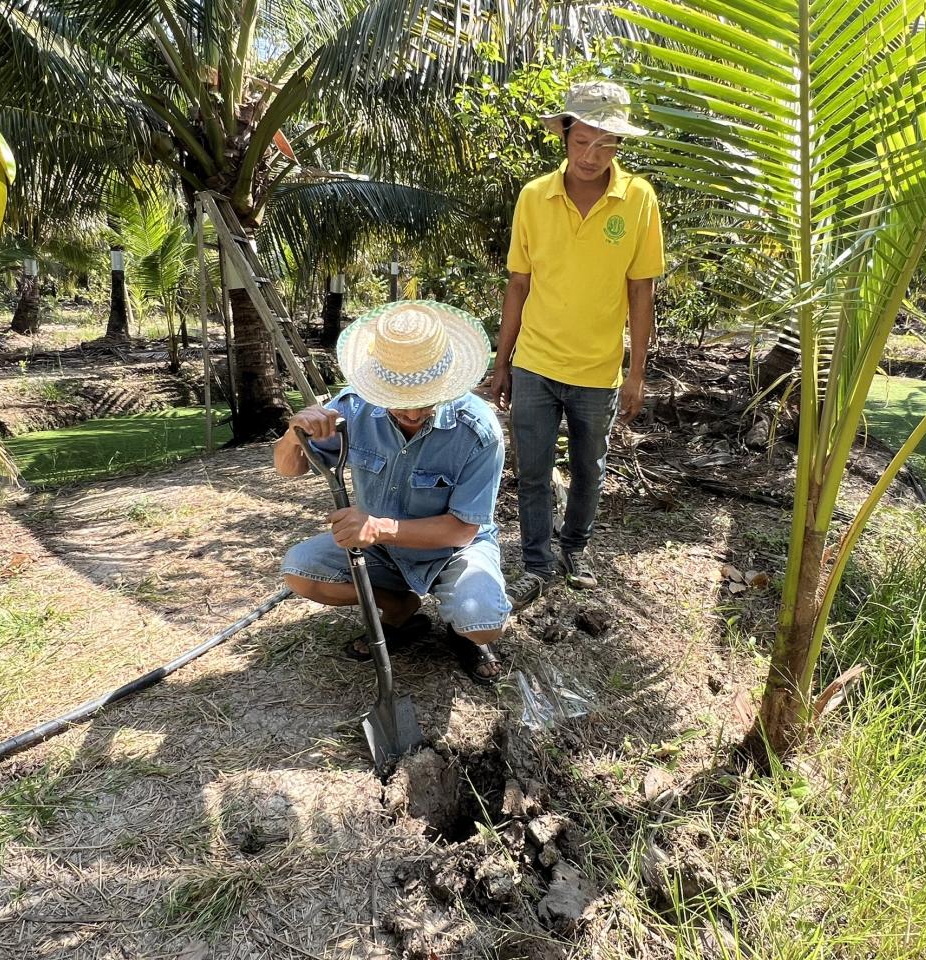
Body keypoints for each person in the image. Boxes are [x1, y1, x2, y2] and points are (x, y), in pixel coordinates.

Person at [491, 79, 665, 609]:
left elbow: (641, 289)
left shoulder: (637, 199)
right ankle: (538, 565)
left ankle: (575, 550)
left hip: (598, 368)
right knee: (534, 470)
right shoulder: (533, 197)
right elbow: (518, 284)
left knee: (591, 468)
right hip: (536, 363)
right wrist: (503, 364)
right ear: (564, 135)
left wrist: (636, 371)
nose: (592, 155)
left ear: (620, 144)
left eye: (606, 142)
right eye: (583, 140)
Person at [274, 300, 511, 682]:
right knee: (300, 572)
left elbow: (461, 530)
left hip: (453, 551)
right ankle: (399, 607)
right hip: (380, 550)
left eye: (425, 401)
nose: (413, 415)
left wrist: (379, 527)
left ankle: (460, 630)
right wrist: (293, 433)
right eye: (399, 404)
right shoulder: (353, 408)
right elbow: (289, 469)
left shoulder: (479, 431)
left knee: (482, 621)